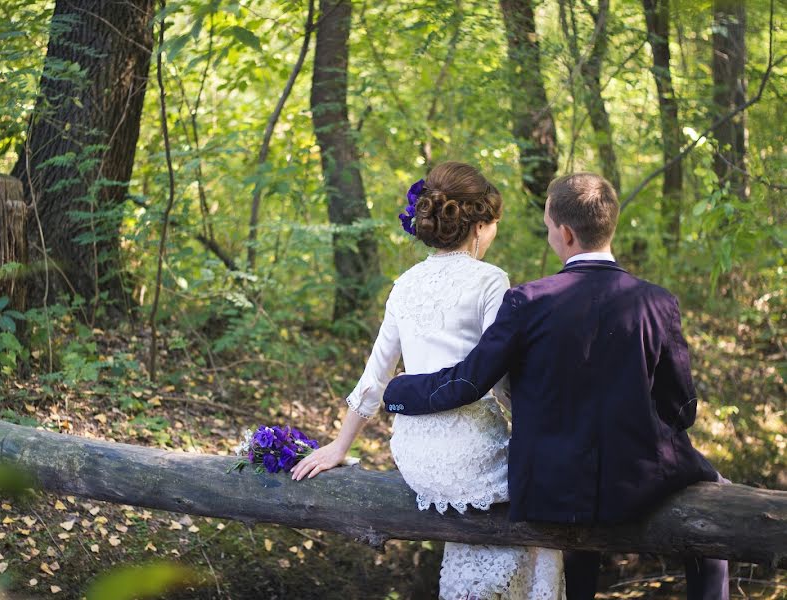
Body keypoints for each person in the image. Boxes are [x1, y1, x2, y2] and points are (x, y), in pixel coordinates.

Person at [381, 172, 729, 600]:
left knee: (574, 539)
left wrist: (396, 393)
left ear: (564, 233)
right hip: (637, 480)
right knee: (716, 507)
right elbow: (682, 411)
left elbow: (467, 381)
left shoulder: (526, 301)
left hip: (548, 485)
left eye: (548, 228)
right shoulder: (657, 302)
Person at [292, 162, 565, 600]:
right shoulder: (491, 280)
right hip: (471, 453)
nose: (493, 233)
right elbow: (498, 378)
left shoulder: (405, 283)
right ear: (477, 226)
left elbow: (374, 375)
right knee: (545, 501)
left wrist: (339, 447)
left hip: (416, 459)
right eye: (493, 224)